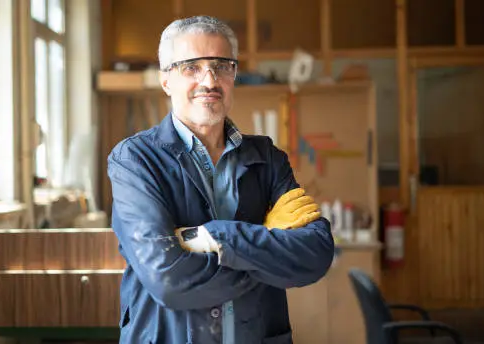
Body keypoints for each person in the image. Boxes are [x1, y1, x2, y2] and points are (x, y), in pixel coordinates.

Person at [107, 15, 335, 344]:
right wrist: (265, 256)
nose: (210, 80)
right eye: (191, 67)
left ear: (234, 75)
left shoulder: (268, 159)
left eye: (222, 65)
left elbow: (315, 254)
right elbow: (169, 281)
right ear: (166, 81)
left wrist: (216, 238)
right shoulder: (135, 160)